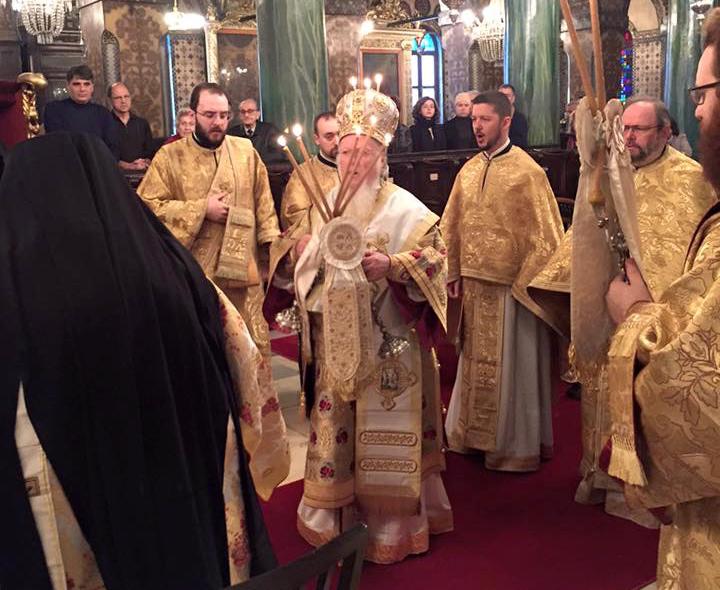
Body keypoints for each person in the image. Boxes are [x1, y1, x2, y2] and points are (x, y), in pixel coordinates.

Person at [0, 132, 289, 589]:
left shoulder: (13, 299)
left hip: (91, 497)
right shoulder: (178, 273)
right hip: (181, 479)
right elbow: (246, 367)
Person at [267, 87, 453, 563]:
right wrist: (304, 248)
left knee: (388, 426)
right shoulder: (320, 201)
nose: (353, 160)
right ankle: (334, 514)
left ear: (381, 155)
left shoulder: (406, 207)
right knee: (338, 422)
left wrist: (390, 264)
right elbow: (290, 261)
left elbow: (437, 260)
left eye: (363, 152)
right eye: (345, 150)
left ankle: (394, 522)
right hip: (339, 343)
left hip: (394, 346)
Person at [529, 96, 717, 525]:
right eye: (624, 129)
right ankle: (603, 477)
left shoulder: (695, 181)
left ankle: (650, 489)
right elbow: (583, 239)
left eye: (638, 130)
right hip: (609, 309)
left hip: (659, 320)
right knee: (600, 393)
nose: (628, 138)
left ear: (666, 133)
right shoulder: (611, 177)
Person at [602, 10, 720, 586]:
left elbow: (699, 374)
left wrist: (637, 319)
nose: (699, 108)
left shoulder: (698, 180)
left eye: (703, 93)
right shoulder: (617, 176)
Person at [441, 91, 564, 471]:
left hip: (512, 290)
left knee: (514, 368)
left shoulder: (527, 172)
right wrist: (454, 269)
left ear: (506, 121)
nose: (477, 126)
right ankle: (469, 437)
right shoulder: (469, 169)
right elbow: (452, 224)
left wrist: (529, 283)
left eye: (485, 119)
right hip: (475, 287)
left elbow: (547, 236)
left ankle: (513, 446)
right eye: (474, 119)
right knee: (474, 362)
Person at [138, 83, 280, 358]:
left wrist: (268, 258)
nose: (218, 122)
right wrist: (201, 209)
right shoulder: (170, 156)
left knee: (249, 353)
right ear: (193, 115)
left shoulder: (245, 151)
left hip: (244, 274)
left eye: (224, 115)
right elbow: (147, 207)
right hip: (196, 275)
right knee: (207, 352)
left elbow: (264, 204)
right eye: (210, 115)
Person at [280, 111, 340, 231]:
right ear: (316, 139)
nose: (337, 141)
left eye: (340, 134)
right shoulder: (302, 174)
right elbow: (293, 215)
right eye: (329, 136)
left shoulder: (359, 169)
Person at [43, 65, 118, 157]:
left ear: (92, 87)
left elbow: (112, 147)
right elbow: (57, 143)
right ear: (68, 86)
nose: (82, 89)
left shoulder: (103, 113)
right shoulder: (54, 109)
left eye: (86, 84)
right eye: (76, 84)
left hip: (98, 165)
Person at [108, 81, 154, 171]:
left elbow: (150, 152)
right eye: (118, 98)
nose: (123, 101)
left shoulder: (142, 123)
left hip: (142, 173)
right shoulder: (105, 124)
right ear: (110, 100)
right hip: (117, 175)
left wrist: (144, 162)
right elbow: (106, 155)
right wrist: (128, 166)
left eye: (126, 96)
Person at [227, 98, 286, 164]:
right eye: (243, 112)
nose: (246, 115)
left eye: (250, 111)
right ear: (240, 115)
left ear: (258, 114)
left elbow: (279, 155)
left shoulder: (270, 130)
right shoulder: (232, 134)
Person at [498, 84, 529, 149]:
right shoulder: (493, 117)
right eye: (501, 96)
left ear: (513, 98)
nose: (504, 98)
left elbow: (521, 143)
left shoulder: (520, 119)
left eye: (507, 96)